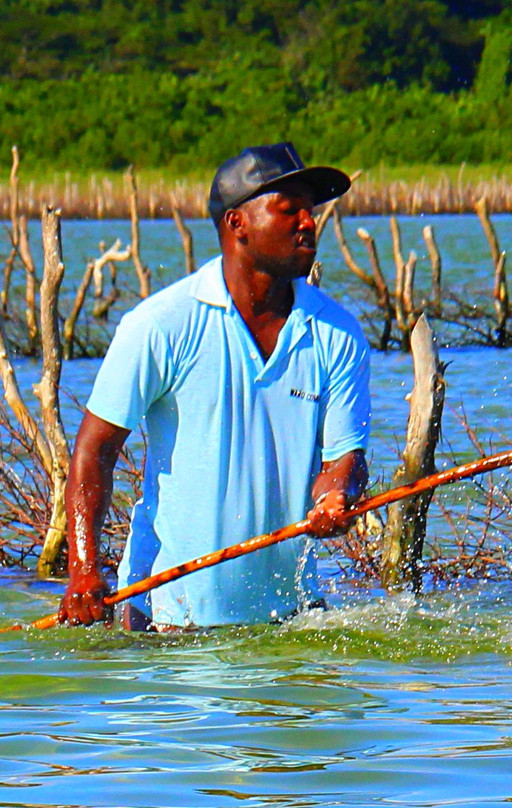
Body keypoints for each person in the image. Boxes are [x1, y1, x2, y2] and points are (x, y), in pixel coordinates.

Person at [58, 142, 371, 631]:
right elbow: (96, 448)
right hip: (165, 621)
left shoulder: (339, 334)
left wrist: (337, 495)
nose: (309, 223)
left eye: (310, 211)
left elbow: (345, 458)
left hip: (286, 620)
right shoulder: (161, 324)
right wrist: (82, 572)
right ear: (236, 224)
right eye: (289, 210)